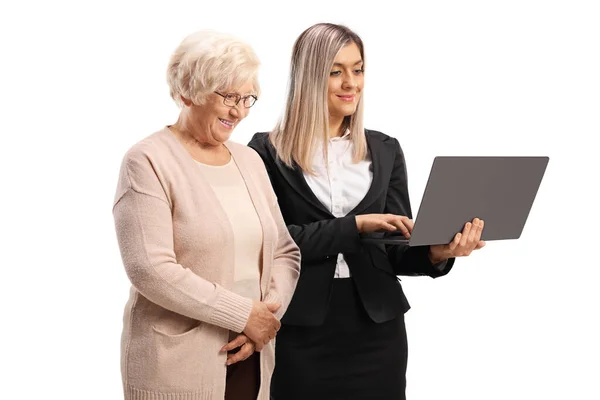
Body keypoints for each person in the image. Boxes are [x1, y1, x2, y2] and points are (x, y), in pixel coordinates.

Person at [248, 23, 485, 400]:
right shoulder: (265, 152)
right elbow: (271, 241)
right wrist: (354, 226)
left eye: (358, 70)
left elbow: (393, 247)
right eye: (336, 71)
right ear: (310, 76)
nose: (351, 83)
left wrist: (439, 253)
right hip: (301, 328)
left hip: (378, 330)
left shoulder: (385, 148)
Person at [112, 30, 301, 400]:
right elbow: (149, 268)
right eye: (229, 96)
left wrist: (264, 318)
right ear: (188, 92)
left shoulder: (249, 160)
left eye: (248, 97)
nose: (240, 111)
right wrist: (242, 314)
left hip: (251, 350)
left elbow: (284, 250)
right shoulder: (147, 160)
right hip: (177, 361)